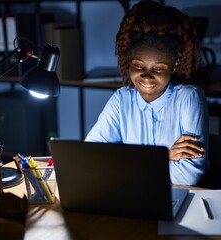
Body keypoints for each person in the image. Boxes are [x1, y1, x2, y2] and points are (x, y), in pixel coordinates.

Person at [85, 0, 209, 186]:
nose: (147, 76)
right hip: (133, 196)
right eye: (138, 66)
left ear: (173, 66)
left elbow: (188, 176)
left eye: (158, 69)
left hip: (177, 197)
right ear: (129, 62)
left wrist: (124, 164)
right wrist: (165, 158)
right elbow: (90, 157)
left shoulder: (189, 98)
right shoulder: (122, 99)